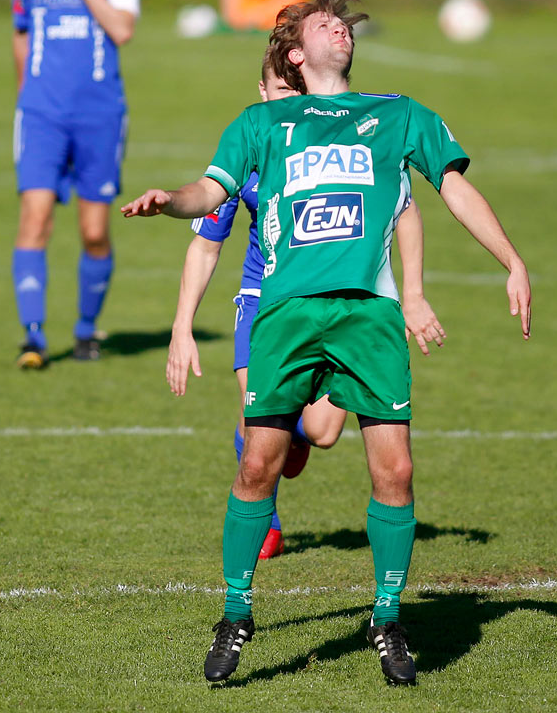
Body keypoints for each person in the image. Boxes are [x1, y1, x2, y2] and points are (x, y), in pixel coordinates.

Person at [122, 0, 531, 688]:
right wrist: (172, 201)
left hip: (369, 316)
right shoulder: (262, 123)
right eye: (324, 24)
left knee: (395, 472)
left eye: (345, 23)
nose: (340, 28)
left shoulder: (399, 114)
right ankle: (236, 613)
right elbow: (209, 191)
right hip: (286, 316)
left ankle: (387, 617)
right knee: (259, 465)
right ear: (295, 54)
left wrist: (512, 259)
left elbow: (452, 189)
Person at [167, 53, 444, 561]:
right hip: (263, 303)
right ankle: (266, 520)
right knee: (259, 433)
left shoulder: (331, 145)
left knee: (321, 432)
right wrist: (182, 325)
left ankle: (284, 431)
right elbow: (206, 244)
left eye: (295, 91)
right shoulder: (252, 149)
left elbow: (403, 206)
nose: (285, 100)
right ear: (261, 90)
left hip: (333, 304)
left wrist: (412, 292)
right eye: (276, 90)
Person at [9, 0, 140, 368]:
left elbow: (122, 29)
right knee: (35, 217)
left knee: (93, 230)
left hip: (99, 110)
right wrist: (26, 97)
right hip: (41, 111)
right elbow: (21, 34)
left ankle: (86, 330)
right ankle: (34, 337)